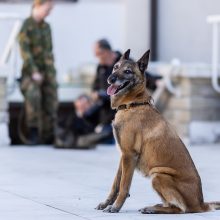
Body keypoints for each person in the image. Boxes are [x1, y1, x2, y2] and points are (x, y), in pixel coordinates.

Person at [55, 39, 121, 149]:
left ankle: (97, 135)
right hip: (103, 109)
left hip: (116, 110)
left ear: (106, 52)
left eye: (98, 54)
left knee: (105, 138)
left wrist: (102, 95)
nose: (97, 58)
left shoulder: (124, 64)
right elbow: (94, 87)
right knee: (81, 116)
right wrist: (88, 98)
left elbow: (139, 78)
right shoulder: (101, 67)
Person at [18, 0, 57, 145]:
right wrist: (34, 72)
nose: (49, 12)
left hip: (47, 71)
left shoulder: (47, 27)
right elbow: (25, 52)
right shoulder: (26, 26)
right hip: (30, 72)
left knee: (52, 97)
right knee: (33, 94)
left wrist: (51, 75)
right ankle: (33, 131)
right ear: (38, 5)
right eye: (48, 9)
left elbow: (48, 52)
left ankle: (48, 133)